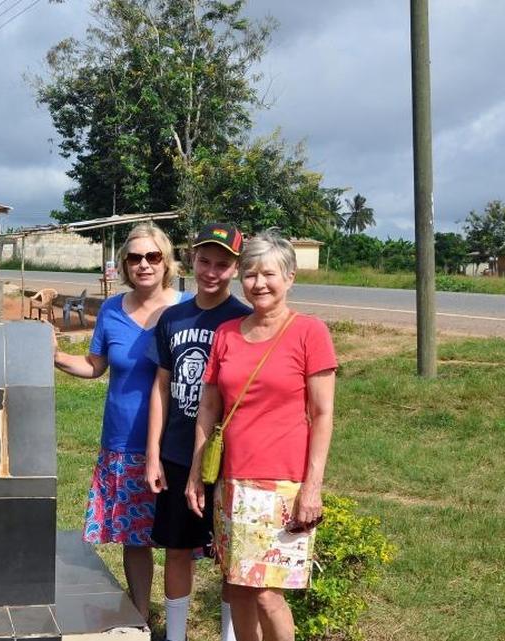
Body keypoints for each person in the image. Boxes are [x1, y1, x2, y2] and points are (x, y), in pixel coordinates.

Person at [186, 231, 337, 641]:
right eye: (250, 274)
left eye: (269, 274)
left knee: (269, 592)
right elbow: (210, 408)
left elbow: (322, 414)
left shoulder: (310, 333)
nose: (259, 283)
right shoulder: (227, 334)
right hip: (232, 483)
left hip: (283, 485)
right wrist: (197, 473)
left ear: (289, 278)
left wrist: (312, 487)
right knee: (237, 587)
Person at [54, 223, 190, 619]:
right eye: (134, 258)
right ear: (124, 264)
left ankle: (178, 620)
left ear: (166, 261)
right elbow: (96, 365)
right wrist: (57, 355)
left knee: (179, 542)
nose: (144, 265)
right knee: (137, 538)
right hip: (124, 441)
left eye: (152, 256)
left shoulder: (188, 308)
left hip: (177, 444)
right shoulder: (113, 310)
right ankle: (141, 617)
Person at [145, 224, 250, 641]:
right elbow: (161, 387)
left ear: (236, 268)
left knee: (229, 554)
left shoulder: (243, 320)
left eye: (222, 264)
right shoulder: (173, 318)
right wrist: (153, 452)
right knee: (177, 547)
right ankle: (175, 635)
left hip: (226, 456)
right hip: (175, 450)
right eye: (205, 261)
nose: (211, 271)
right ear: (192, 258)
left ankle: (228, 635)